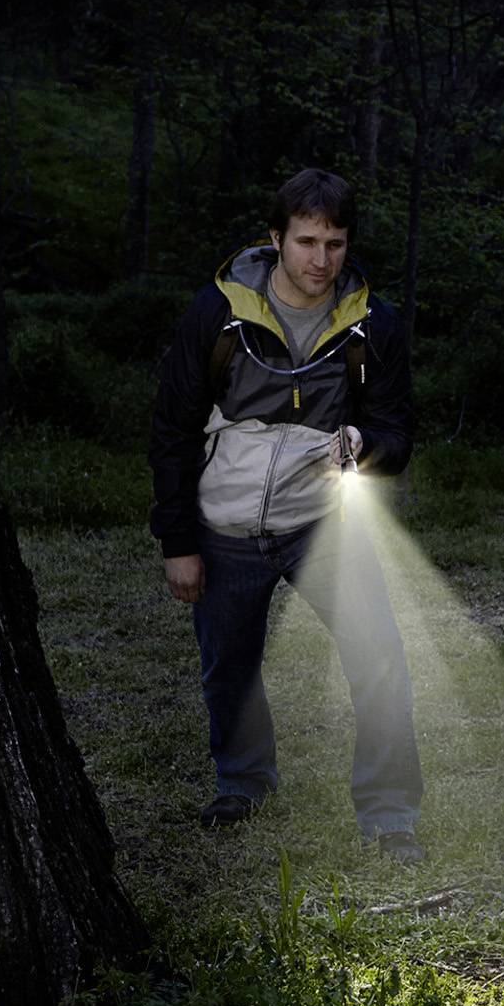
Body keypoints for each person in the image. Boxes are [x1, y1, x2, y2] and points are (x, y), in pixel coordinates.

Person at [148, 168, 424, 862]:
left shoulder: (374, 324)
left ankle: (390, 813)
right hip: (225, 526)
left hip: (324, 527)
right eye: (305, 241)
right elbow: (172, 429)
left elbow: (396, 433)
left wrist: (365, 445)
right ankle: (243, 784)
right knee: (230, 668)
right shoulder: (218, 312)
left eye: (335, 243)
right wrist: (178, 540)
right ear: (275, 239)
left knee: (380, 661)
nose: (320, 260)